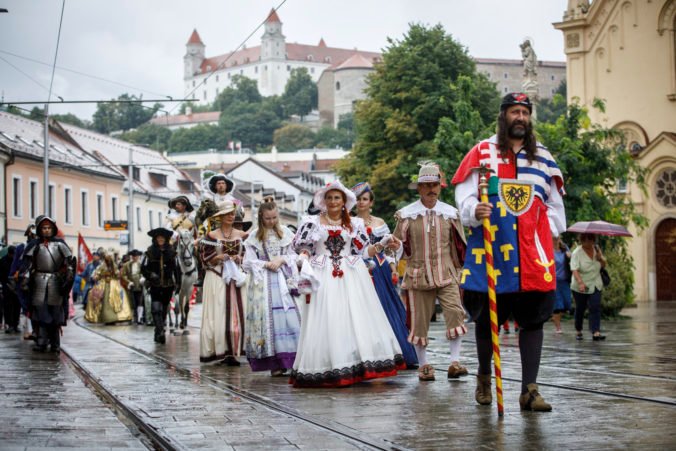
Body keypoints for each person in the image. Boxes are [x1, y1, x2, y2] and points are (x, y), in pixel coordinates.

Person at [452, 92, 566, 412]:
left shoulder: (543, 157)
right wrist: (476, 209)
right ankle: (485, 377)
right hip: (492, 251)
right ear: (503, 116)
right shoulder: (482, 153)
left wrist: (545, 236)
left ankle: (530, 389)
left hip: (532, 255)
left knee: (533, 320)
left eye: (525, 113)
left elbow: (556, 208)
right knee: (488, 320)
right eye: (514, 111)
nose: (520, 117)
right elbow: (463, 198)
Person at [291, 180, 405, 388]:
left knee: (354, 317)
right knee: (328, 317)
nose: (333, 201)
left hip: (351, 273)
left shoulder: (355, 224)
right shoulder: (312, 222)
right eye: (330, 198)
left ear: (344, 201)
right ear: (324, 201)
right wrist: (304, 258)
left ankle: (355, 363)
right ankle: (329, 364)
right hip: (322, 273)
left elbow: (364, 251)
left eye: (337, 198)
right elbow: (305, 247)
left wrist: (383, 243)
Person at [391, 163, 467, 381]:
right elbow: (397, 244)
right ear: (419, 188)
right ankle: (424, 365)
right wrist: (394, 253)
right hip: (417, 274)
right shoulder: (407, 215)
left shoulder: (450, 213)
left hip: (447, 273)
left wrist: (462, 268)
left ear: (440, 187)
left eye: (434, 185)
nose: (431, 189)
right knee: (418, 321)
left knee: (455, 312)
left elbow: (459, 244)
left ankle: (455, 362)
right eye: (426, 186)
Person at [352, 182, 418, 369]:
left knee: (386, 306)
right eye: (358, 199)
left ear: (371, 202)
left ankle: (398, 351)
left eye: (365, 199)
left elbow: (389, 249)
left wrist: (393, 267)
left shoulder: (379, 223)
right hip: (359, 268)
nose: (361, 202)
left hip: (380, 270)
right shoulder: (351, 223)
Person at [242, 197, 301, 376]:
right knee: (268, 320)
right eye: (268, 218)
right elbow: (248, 262)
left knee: (290, 318)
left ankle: (293, 359)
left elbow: (295, 256)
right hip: (264, 283)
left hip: (283, 279)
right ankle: (274, 363)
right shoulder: (253, 236)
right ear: (261, 217)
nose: (272, 221)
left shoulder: (285, 233)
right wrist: (265, 264)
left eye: (274, 217)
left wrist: (282, 259)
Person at [198, 200, 247, 364]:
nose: (230, 217)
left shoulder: (242, 235)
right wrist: (218, 257)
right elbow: (205, 259)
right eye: (227, 214)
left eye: (232, 214)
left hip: (237, 279)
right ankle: (221, 350)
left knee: (238, 314)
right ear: (220, 217)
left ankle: (234, 351)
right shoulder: (211, 236)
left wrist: (241, 258)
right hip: (218, 278)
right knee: (219, 314)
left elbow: (250, 255)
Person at [19, 216, 76, 353]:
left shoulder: (60, 245)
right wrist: (25, 280)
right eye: (44, 228)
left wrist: (68, 278)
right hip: (38, 281)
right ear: (40, 229)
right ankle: (41, 342)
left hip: (55, 281)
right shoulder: (35, 245)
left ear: (53, 229)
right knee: (40, 314)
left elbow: (69, 264)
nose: (46, 230)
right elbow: (28, 265)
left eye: (49, 228)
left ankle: (55, 344)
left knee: (55, 315)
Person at [141, 228, 182, 344]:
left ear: (166, 239)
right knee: (155, 308)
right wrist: (150, 275)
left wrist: (178, 283)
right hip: (155, 285)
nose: (160, 239)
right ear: (155, 239)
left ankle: (158, 330)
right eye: (158, 238)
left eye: (162, 238)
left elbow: (177, 269)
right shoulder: (149, 252)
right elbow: (143, 268)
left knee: (164, 309)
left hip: (168, 286)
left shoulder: (173, 253)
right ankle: (160, 332)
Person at [570, 233, 607, 341]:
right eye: (586, 240)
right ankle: (578, 330)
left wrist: (600, 258)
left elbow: (604, 265)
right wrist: (580, 283)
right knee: (580, 308)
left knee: (595, 306)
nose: (589, 243)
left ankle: (596, 331)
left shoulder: (596, 249)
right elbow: (574, 269)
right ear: (582, 240)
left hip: (595, 283)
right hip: (581, 285)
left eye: (591, 240)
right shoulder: (577, 253)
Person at [92, 252, 133, 324]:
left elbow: (118, 276)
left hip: (114, 284)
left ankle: (120, 316)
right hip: (104, 284)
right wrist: (99, 276)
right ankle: (106, 317)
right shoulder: (101, 267)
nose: (108, 261)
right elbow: (97, 276)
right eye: (107, 260)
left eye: (109, 260)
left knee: (120, 294)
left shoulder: (114, 266)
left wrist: (115, 273)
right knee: (103, 298)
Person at [553, 237, 572, 334]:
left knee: (567, 303)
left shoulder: (565, 249)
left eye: (557, 238)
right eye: (554, 239)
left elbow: (572, 260)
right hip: (554, 281)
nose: (556, 240)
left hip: (564, 281)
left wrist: (570, 256)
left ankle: (555, 317)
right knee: (558, 306)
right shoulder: (549, 251)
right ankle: (558, 327)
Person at [121, 250, 144, 324]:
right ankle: (131, 317)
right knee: (131, 302)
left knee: (140, 301)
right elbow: (123, 275)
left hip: (139, 285)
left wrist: (142, 278)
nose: (135, 258)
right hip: (131, 285)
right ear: (131, 257)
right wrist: (128, 282)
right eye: (134, 256)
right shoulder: (126, 265)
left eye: (136, 256)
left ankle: (139, 318)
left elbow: (144, 273)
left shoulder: (141, 264)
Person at [1, 246, 20, 334]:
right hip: (7, 286)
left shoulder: (18, 261)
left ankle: (15, 324)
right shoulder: (3, 261)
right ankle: (9, 324)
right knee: (8, 306)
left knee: (17, 306)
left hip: (16, 287)